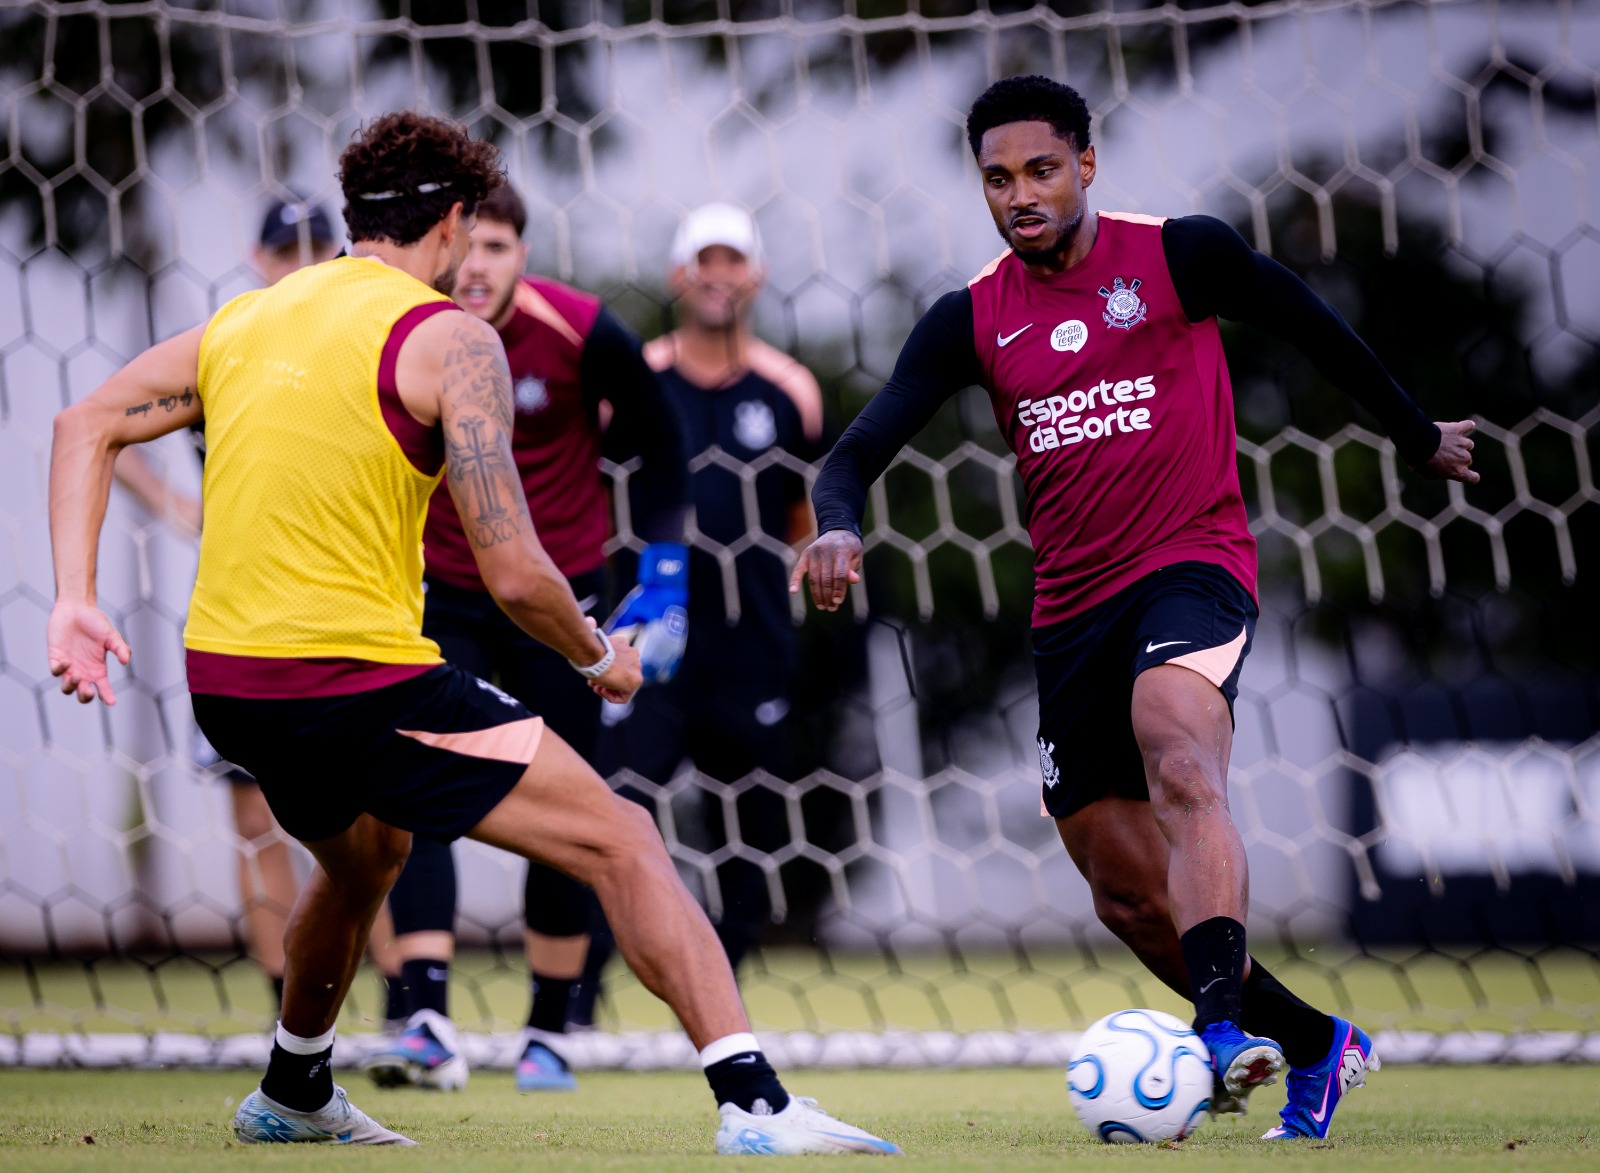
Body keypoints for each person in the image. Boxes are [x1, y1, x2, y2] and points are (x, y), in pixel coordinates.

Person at [46, 110, 897, 1156]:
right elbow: (514, 570)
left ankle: (293, 1087)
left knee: (366, 858)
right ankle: (758, 1106)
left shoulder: (250, 318)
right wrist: (599, 658)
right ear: (453, 224)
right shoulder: (451, 340)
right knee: (623, 839)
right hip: (355, 684)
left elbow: (80, 423)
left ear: (354, 218)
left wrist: (73, 598)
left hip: (225, 683)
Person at [792, 75, 1477, 1142]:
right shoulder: (970, 318)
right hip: (1069, 612)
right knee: (1120, 891)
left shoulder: (1177, 255)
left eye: (1040, 171)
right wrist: (835, 521)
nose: (1020, 195)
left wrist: (1411, 431)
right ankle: (1312, 1045)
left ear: (1086, 165)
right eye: (997, 179)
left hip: (1191, 567)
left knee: (1181, 756)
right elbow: (859, 446)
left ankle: (1211, 1035)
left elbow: (1306, 320)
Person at [364, 181, 691, 1095]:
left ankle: (551, 1029)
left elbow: (662, 443)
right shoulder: (404, 329)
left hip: (561, 606)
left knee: (575, 810)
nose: (477, 266)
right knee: (414, 791)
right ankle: (424, 1015)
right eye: (465, 245)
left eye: (499, 247)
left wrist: (664, 575)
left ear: (523, 255)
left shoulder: (584, 330)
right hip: (442, 600)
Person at [109, 198, 380, 1018]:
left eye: (312, 247)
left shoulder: (359, 346)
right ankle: (283, 1004)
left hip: (349, 605)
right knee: (255, 813)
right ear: (257, 258)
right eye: (284, 249)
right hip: (241, 609)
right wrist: (174, 506)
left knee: (376, 817)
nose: (298, 262)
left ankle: (406, 1004)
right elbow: (107, 425)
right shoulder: (228, 347)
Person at [589, 203, 824, 1007]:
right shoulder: (633, 383)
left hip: (748, 648)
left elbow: (803, 518)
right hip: (645, 646)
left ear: (754, 274)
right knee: (609, 817)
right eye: (702, 261)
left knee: (751, 844)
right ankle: (577, 1001)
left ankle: (717, 1000)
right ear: (677, 276)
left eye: (732, 260)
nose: (717, 275)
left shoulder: (791, 390)